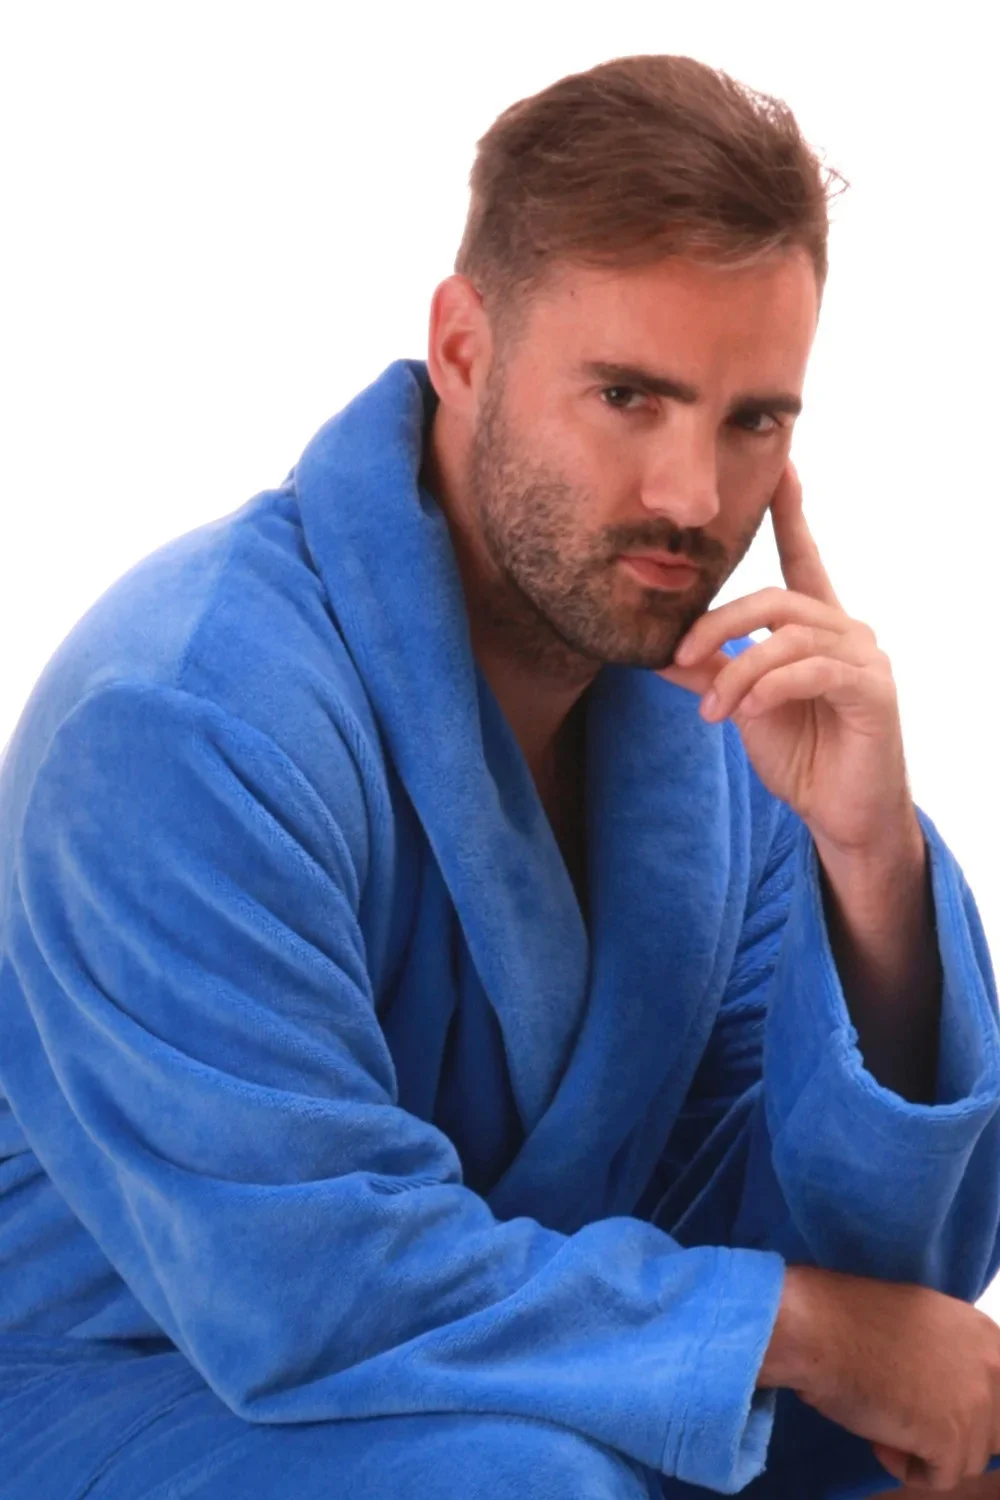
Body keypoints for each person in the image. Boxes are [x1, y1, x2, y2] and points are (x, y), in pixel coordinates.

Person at [1, 51, 999, 1500]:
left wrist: (871, 868)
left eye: (753, 420)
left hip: (527, 1382)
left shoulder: (722, 735)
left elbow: (882, 1293)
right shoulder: (184, 718)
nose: (692, 498)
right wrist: (805, 1333)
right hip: (124, 1393)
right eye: (628, 395)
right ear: (464, 350)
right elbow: (308, 1285)